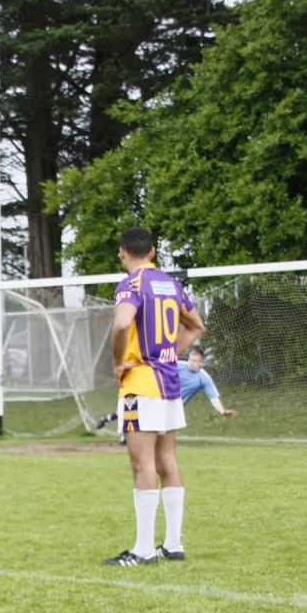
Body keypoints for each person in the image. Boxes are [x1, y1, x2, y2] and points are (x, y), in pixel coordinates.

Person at [103, 227, 206, 567]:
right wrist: (167, 352)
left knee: (142, 464)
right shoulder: (172, 285)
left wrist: (119, 362)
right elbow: (196, 327)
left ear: (122, 253)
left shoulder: (130, 285)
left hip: (142, 385)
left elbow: (121, 326)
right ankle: (173, 544)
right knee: (167, 460)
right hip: (170, 383)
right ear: (153, 251)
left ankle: (144, 549)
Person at [97, 347, 236, 431]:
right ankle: (110, 421)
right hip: (158, 395)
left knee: (155, 425)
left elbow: (213, 397)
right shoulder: (178, 365)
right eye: (190, 359)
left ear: (201, 363)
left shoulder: (204, 378)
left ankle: (128, 435)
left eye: (195, 361)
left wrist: (222, 411)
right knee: (134, 409)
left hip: (176, 404)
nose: (191, 363)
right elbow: (156, 364)